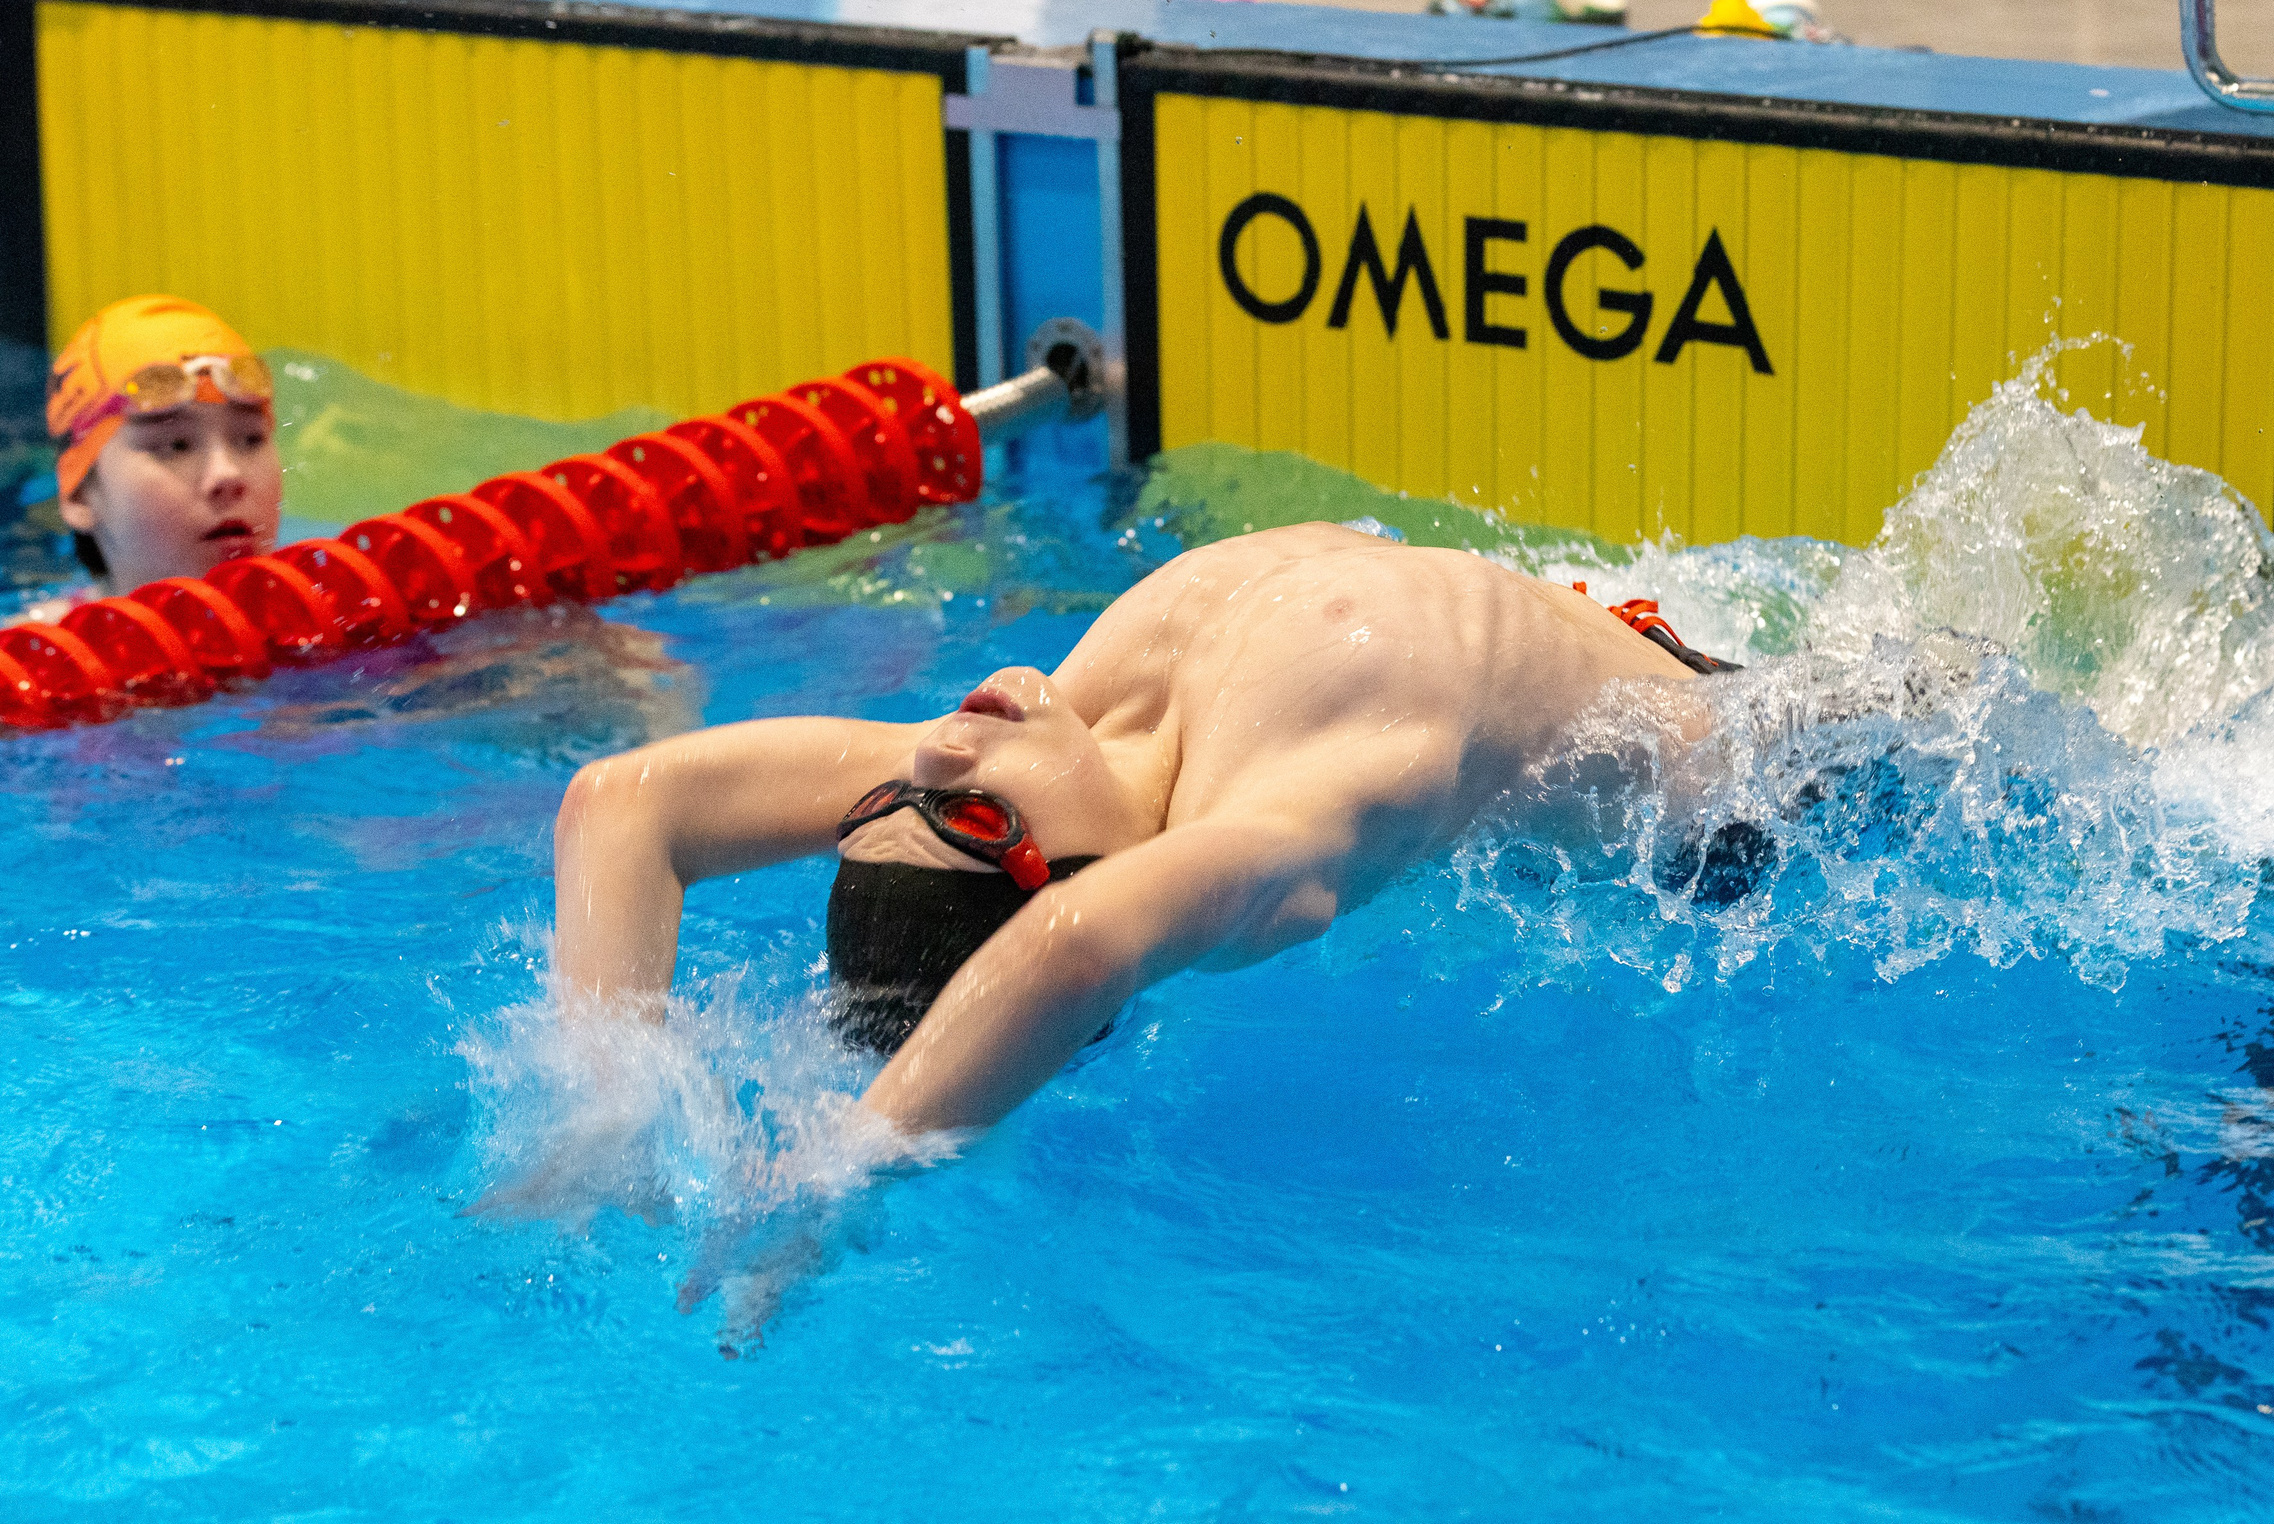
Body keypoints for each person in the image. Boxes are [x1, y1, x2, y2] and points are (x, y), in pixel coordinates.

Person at [548, 521, 1742, 1163]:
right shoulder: (1284, 799)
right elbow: (1079, 948)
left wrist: (606, 1106)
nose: (934, 755)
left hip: (1644, 626)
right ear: (1090, 873)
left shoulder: (1056, 734)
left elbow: (623, 804)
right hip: (1757, 812)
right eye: (964, 819)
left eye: (885, 804)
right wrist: (845, 1167)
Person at [18, 294, 282, 622]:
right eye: (176, 446)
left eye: (251, 439)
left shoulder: (332, 618)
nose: (228, 475)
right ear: (79, 496)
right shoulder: (35, 648)